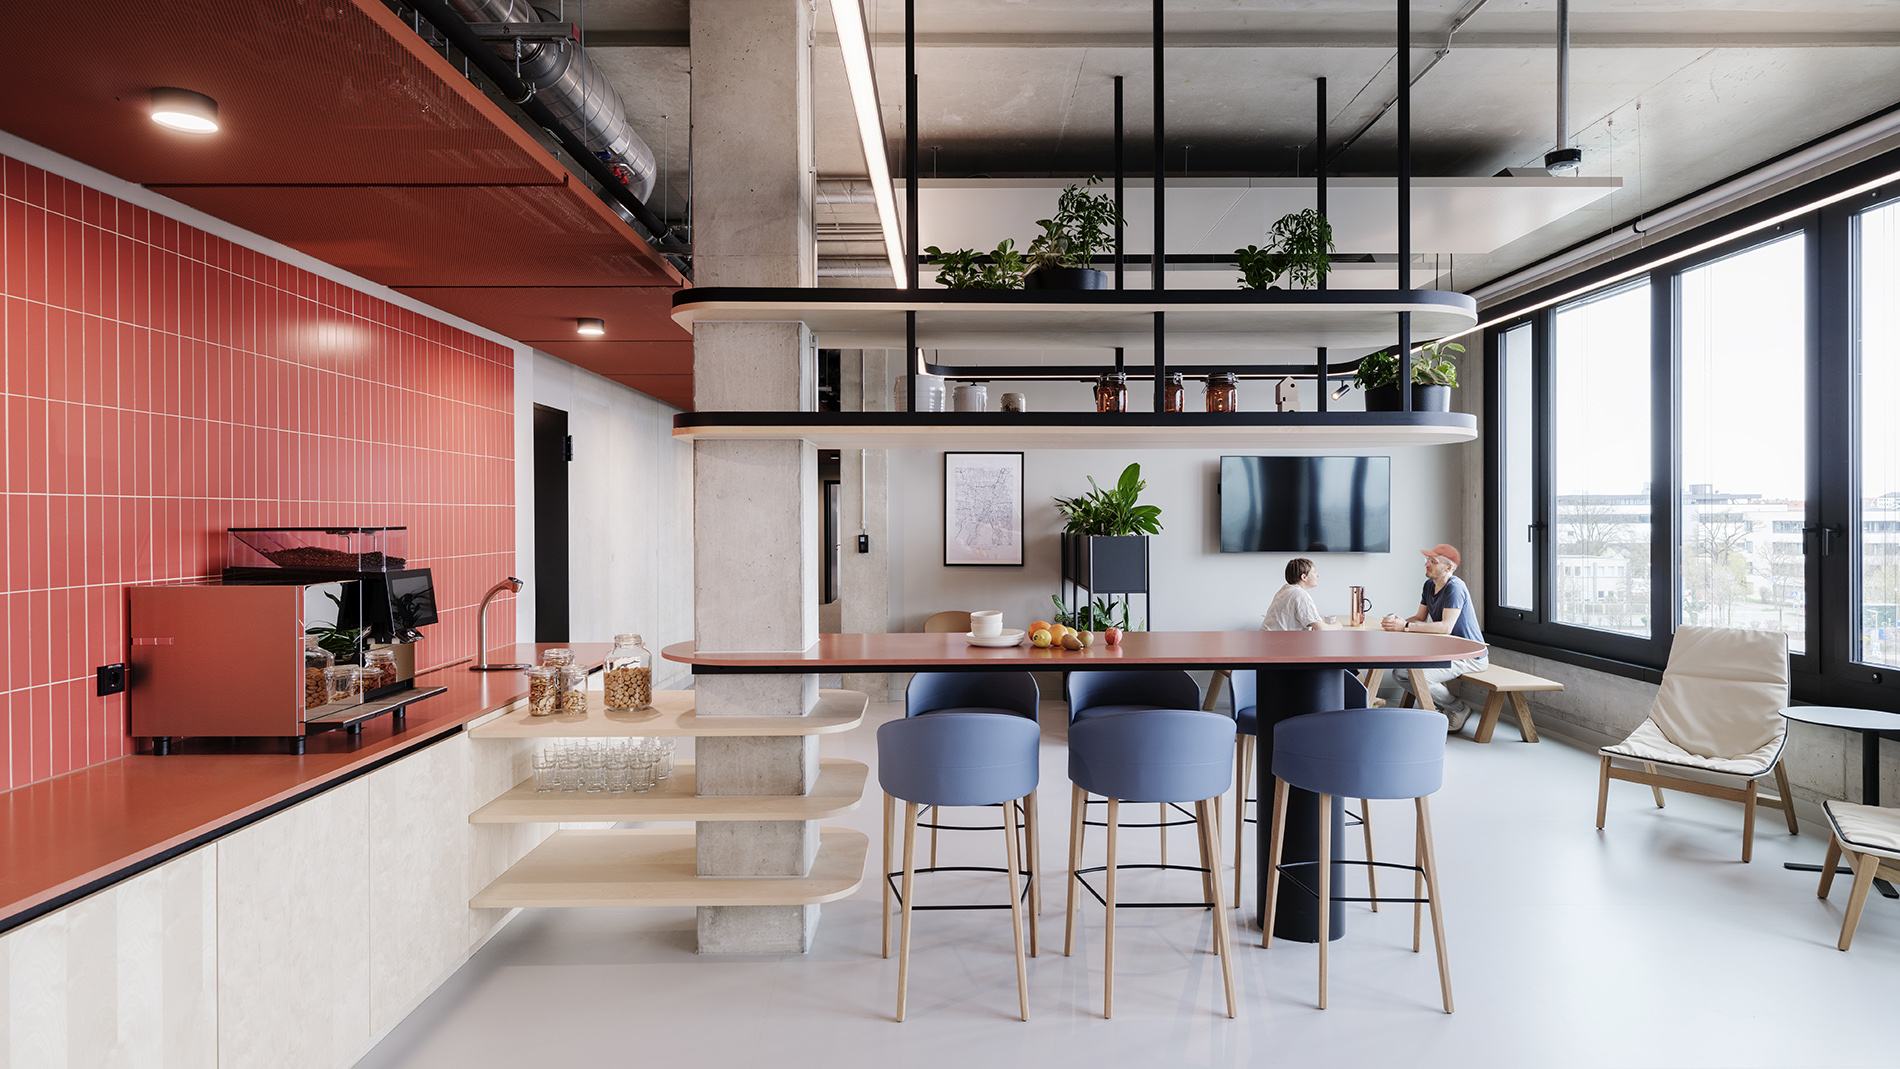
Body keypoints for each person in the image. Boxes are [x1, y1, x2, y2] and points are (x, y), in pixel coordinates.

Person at [1383, 543, 1489, 731]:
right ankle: (1445, 709)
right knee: (1400, 673)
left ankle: (1459, 709)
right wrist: (1396, 624)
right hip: (1446, 652)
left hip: (1469, 655)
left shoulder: (1454, 588)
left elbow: (1446, 627)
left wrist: (1406, 627)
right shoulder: (1429, 585)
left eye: (1432, 561)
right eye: (1427, 560)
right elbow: (1419, 618)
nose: (1426, 564)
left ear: (1449, 567)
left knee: (1420, 676)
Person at [1261, 558, 1340, 632]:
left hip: (1268, 639)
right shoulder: (1299, 594)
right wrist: (1337, 626)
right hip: (1279, 643)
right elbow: (1320, 629)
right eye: (1314, 572)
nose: (1317, 575)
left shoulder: (1285, 590)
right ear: (1304, 577)